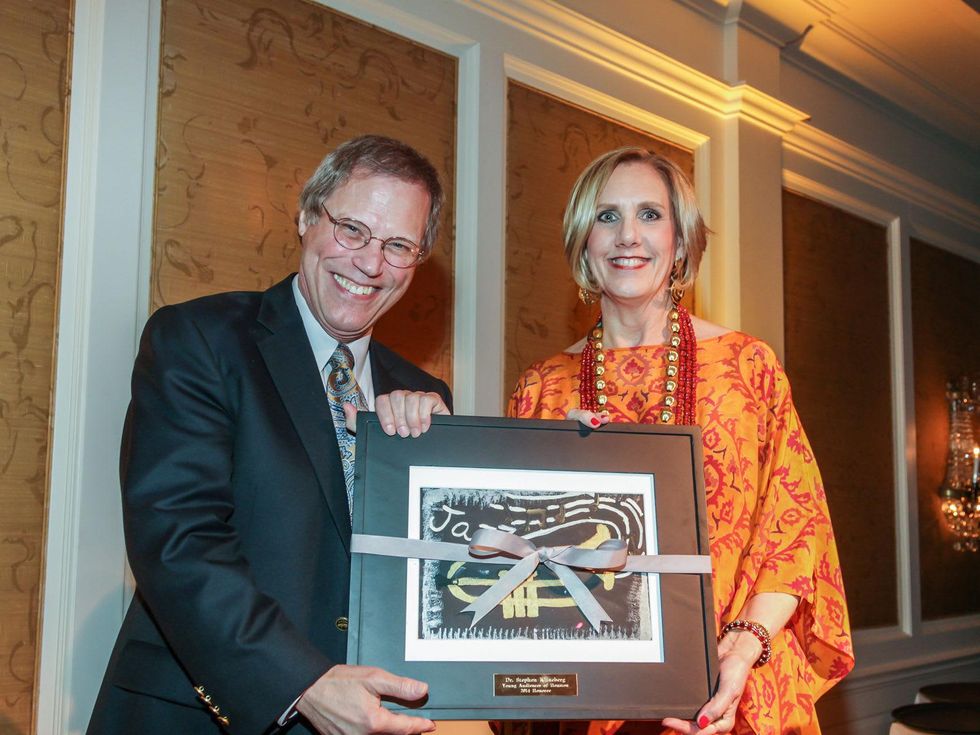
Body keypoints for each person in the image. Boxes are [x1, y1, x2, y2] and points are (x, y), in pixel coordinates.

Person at [88, 135, 452, 734]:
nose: (370, 264)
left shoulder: (423, 397)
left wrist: (547, 454)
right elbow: (178, 540)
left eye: (398, 246)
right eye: (352, 230)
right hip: (200, 717)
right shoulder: (200, 339)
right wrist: (300, 682)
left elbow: (440, 577)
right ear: (307, 217)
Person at [506, 147, 854, 735]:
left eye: (649, 214)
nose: (627, 235)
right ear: (583, 242)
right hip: (589, 693)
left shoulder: (748, 368)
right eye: (607, 216)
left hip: (738, 686)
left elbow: (796, 527)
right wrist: (561, 471)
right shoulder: (541, 389)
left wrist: (742, 648)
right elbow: (511, 558)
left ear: (681, 240)